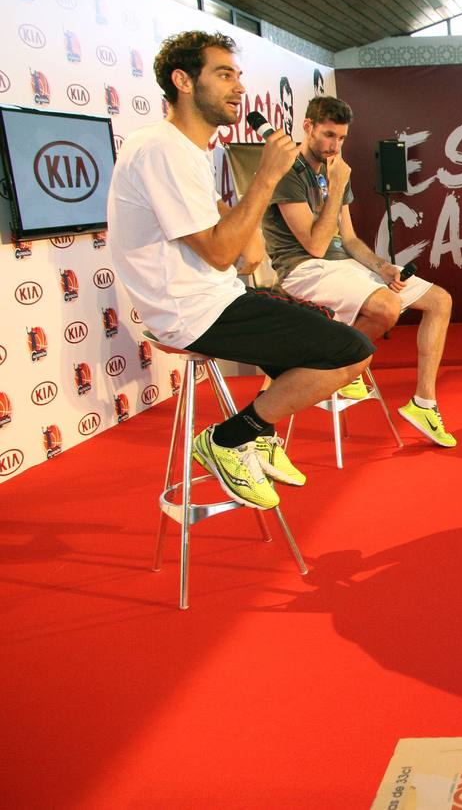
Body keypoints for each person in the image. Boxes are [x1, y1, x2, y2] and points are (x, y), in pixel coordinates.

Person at [108, 31, 374, 509]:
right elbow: (218, 251)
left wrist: (245, 202)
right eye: (224, 74)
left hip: (218, 295)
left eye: (239, 76)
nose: (239, 88)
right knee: (351, 353)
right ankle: (230, 439)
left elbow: (247, 256)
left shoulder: (191, 151)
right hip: (191, 309)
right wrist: (267, 176)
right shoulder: (160, 149)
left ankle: (257, 435)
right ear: (183, 81)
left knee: (334, 357)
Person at [263, 96, 456, 447]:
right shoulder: (289, 174)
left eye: (341, 139)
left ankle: (423, 403)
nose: (334, 146)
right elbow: (316, 246)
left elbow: (348, 239)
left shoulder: (335, 170)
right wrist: (337, 186)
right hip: (302, 268)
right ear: (307, 127)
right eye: (328, 135)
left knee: (439, 301)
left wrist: (382, 266)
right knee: (386, 307)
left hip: (343, 265)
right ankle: (343, 358)